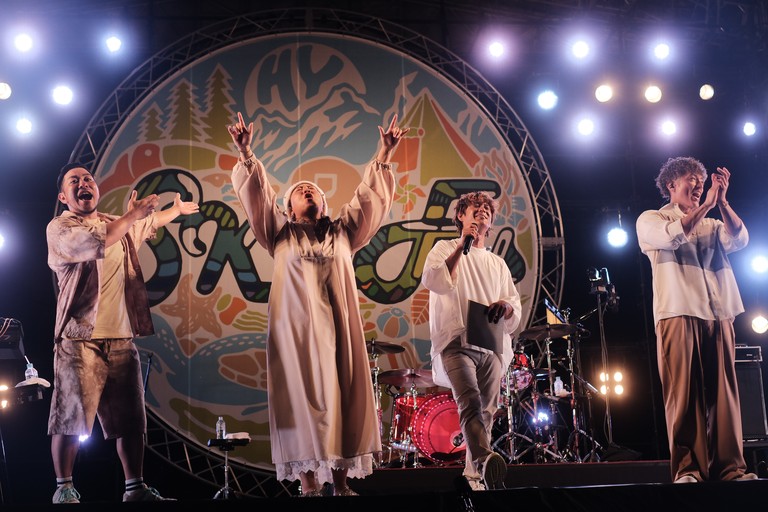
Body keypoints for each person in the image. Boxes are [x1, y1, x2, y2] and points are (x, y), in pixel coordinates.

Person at [226, 111, 409, 497]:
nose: (308, 192)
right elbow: (258, 197)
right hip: (296, 332)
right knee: (298, 398)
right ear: (289, 208)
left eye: (314, 191)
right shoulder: (279, 233)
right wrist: (245, 152)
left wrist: (385, 153)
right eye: (300, 191)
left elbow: (369, 198)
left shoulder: (343, 232)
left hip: (339, 329)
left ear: (324, 204)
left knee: (341, 395)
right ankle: (308, 485)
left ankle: (340, 484)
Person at [47, 163, 199, 503]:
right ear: (63, 196)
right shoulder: (61, 228)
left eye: (88, 179)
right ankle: (64, 486)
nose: (84, 183)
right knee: (70, 416)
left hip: (120, 337)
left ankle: (135, 489)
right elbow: (103, 238)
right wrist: (131, 216)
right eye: (75, 181)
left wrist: (174, 210)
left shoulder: (115, 222)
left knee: (132, 420)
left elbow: (147, 223)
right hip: (79, 339)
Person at [636, 156, 757, 483]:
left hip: (718, 313)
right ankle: (688, 469)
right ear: (672, 184)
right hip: (677, 312)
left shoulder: (712, 224)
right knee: (684, 395)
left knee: (724, 396)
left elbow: (740, 239)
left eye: (702, 182)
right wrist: (705, 206)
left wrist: (723, 203)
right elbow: (672, 237)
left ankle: (730, 469)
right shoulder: (651, 219)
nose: (699, 185)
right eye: (692, 179)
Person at [421, 191, 522, 491]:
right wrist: (461, 245)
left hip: (490, 342)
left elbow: (513, 305)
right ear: (460, 216)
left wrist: (505, 307)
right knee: (470, 402)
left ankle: (475, 477)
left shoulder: (497, 263)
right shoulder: (444, 247)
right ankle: (484, 460)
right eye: (475, 207)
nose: (482, 211)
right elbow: (434, 280)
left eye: (487, 209)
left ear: (491, 221)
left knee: (487, 411)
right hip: (456, 340)